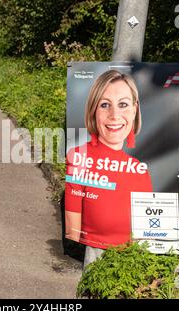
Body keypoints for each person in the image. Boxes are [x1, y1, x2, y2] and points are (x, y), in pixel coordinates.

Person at [65, 70, 153, 270]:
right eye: (105, 105)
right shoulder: (78, 156)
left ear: (134, 110)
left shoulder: (140, 170)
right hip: (95, 254)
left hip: (132, 258)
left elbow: (147, 229)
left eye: (123, 104)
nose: (115, 115)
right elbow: (73, 223)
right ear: (93, 111)